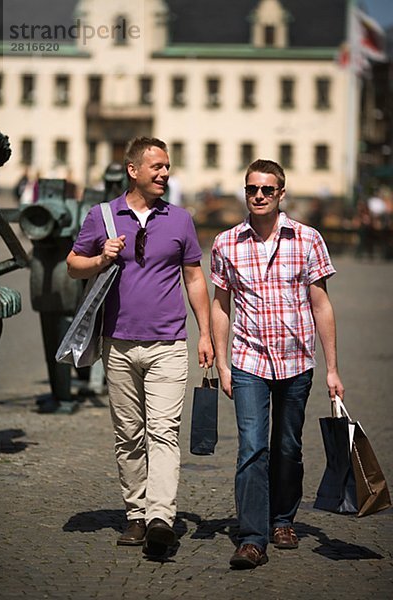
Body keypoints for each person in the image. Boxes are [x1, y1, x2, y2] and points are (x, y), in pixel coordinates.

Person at [66, 137, 214, 557]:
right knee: (128, 435)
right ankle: (135, 514)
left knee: (164, 432)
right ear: (133, 170)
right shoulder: (102, 217)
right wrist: (100, 260)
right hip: (118, 343)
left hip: (168, 343)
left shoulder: (181, 219)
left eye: (167, 166)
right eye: (157, 167)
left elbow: (194, 278)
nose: (165, 173)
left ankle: (160, 518)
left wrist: (204, 332)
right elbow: (73, 264)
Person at [210, 159, 344, 570]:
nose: (260, 196)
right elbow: (220, 306)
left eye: (268, 189)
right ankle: (252, 538)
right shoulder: (226, 243)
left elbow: (321, 305)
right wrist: (222, 362)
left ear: (281, 193)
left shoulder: (307, 239)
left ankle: (283, 519)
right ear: (245, 192)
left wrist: (333, 369)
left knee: (288, 447)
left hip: (296, 360)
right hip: (248, 360)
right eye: (252, 189)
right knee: (252, 448)